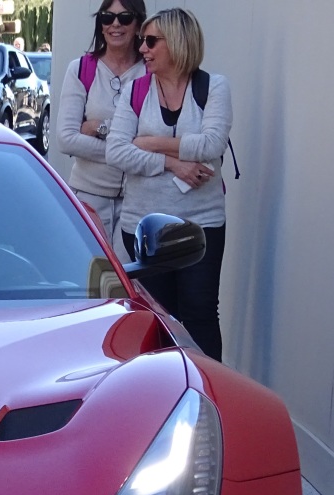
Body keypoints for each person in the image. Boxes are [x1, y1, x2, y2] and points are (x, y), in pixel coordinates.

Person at [106, 7, 231, 360]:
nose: (141, 48)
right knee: (157, 318)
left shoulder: (213, 88)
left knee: (200, 313)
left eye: (150, 41)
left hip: (200, 224)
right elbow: (117, 152)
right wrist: (173, 163)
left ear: (176, 43)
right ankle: (163, 395)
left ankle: (208, 391)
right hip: (144, 227)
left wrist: (150, 142)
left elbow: (212, 145)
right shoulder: (136, 90)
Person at [55, 0, 147, 249]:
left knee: (131, 282)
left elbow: (153, 135)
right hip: (88, 196)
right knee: (93, 277)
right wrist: (128, 147)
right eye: (107, 17)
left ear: (138, 23)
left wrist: (99, 127)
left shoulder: (151, 71)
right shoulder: (81, 69)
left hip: (137, 199)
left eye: (125, 17)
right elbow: (66, 138)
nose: (115, 24)